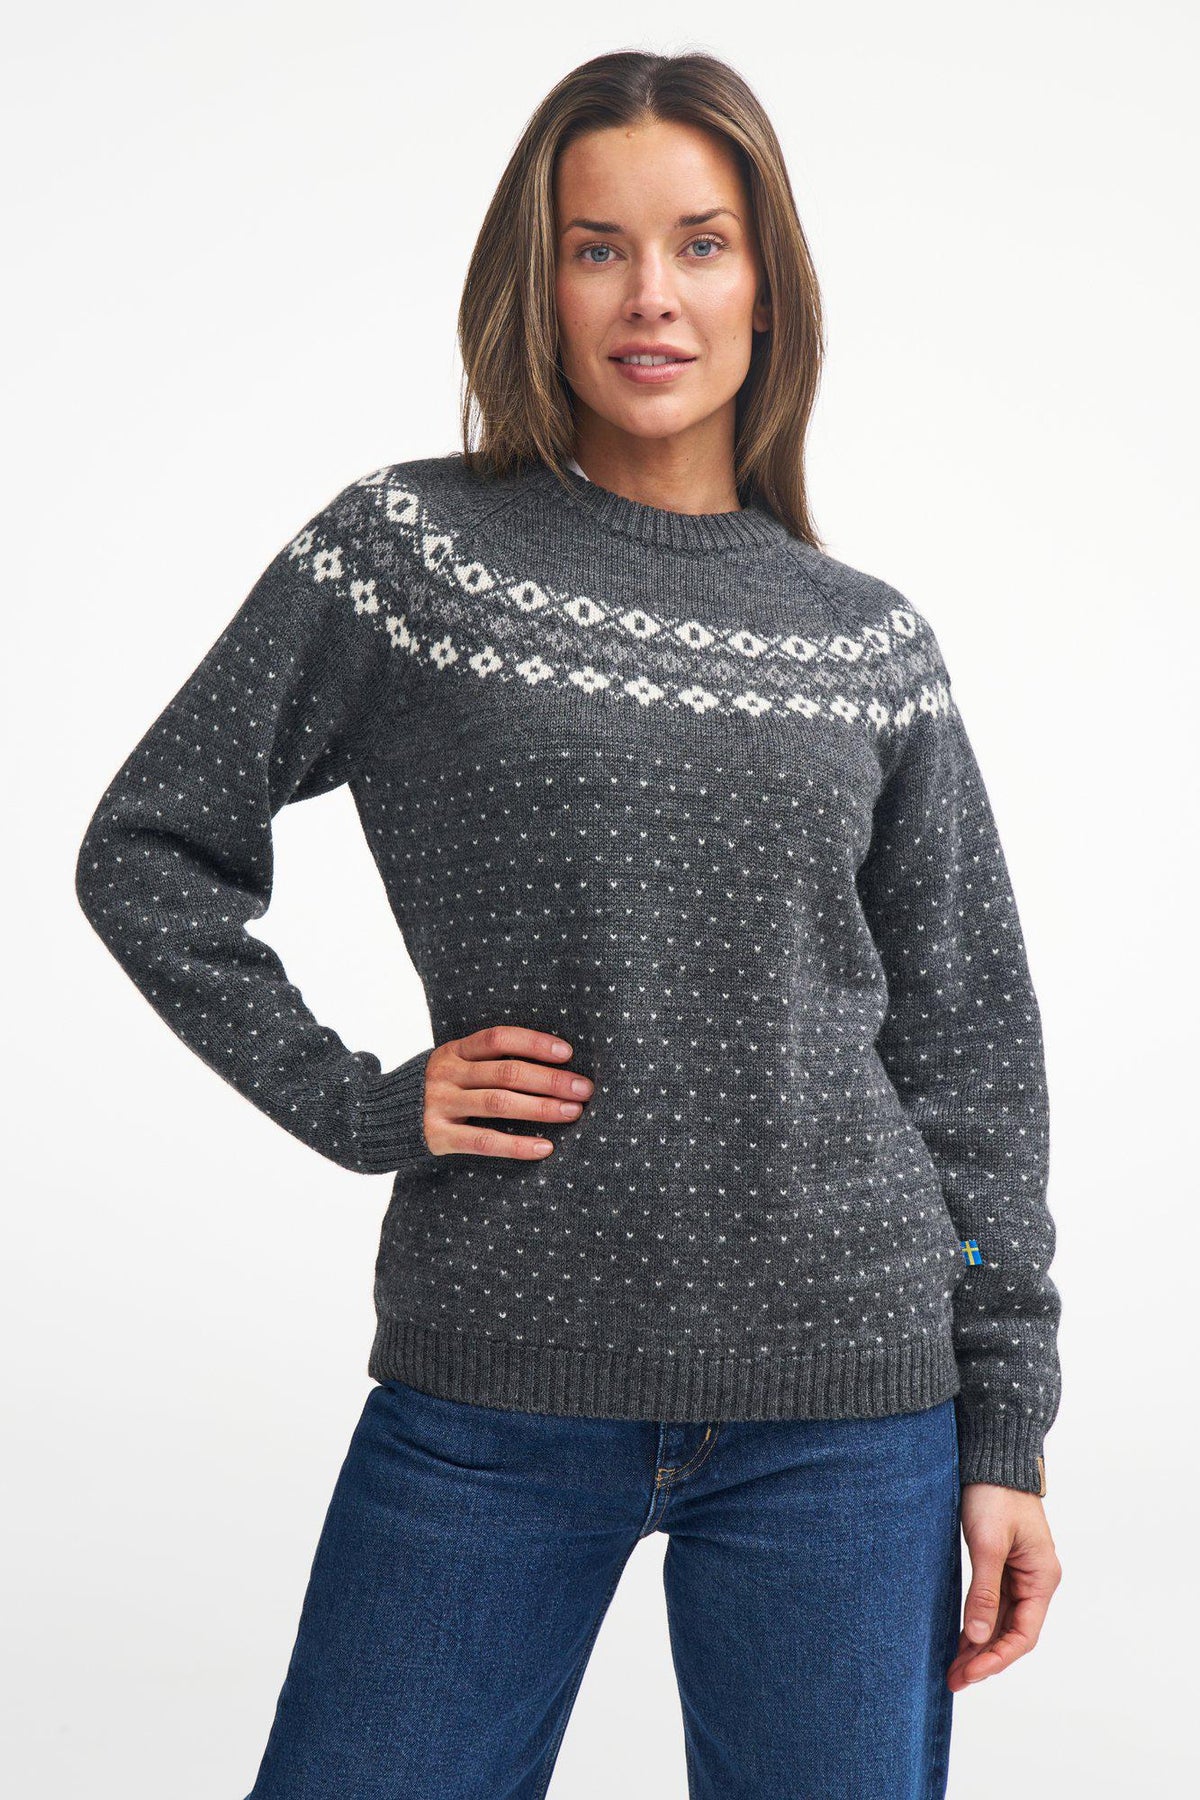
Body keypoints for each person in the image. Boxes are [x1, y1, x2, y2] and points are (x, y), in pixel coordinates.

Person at [74, 48, 1063, 1800]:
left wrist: (1007, 1427)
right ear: (535, 283)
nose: (650, 295)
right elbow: (150, 846)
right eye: (597, 248)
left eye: (701, 243)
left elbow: (968, 1046)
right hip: (495, 1379)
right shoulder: (412, 556)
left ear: (767, 286)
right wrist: (363, 1102)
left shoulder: (866, 642)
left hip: (851, 1409)